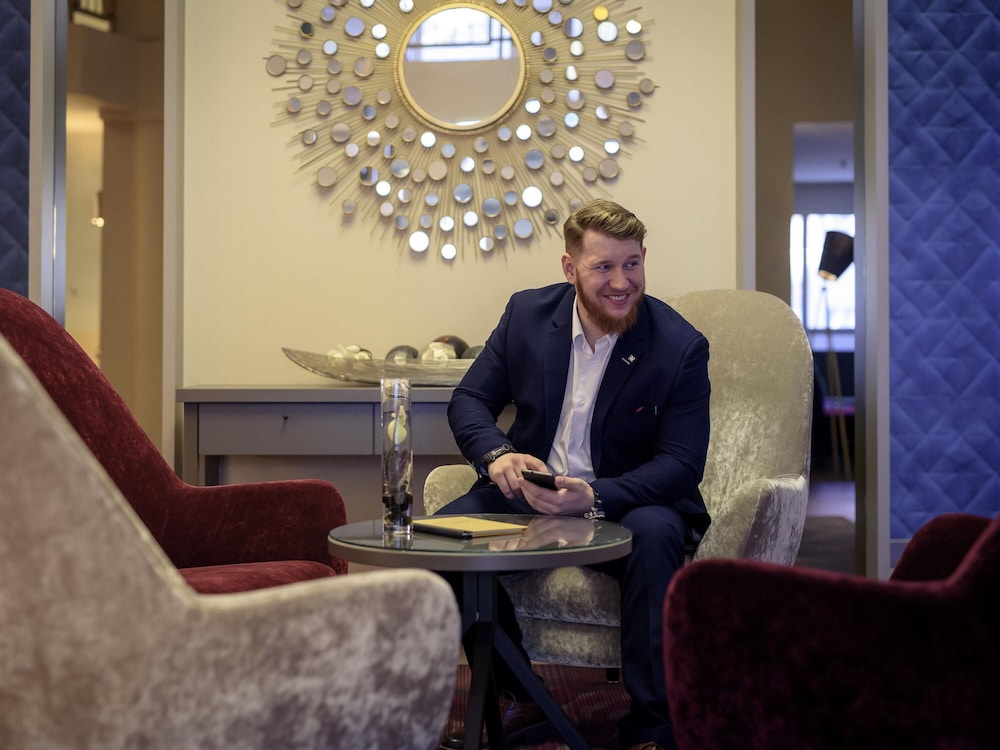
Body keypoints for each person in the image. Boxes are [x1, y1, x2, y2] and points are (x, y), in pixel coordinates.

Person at [436, 199, 712, 750]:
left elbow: (681, 464)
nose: (622, 282)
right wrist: (498, 455)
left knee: (658, 534)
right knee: (442, 542)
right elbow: (469, 400)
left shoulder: (680, 346)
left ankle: (653, 729)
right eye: (603, 267)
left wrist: (593, 496)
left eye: (631, 264)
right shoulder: (526, 315)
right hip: (529, 494)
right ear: (570, 267)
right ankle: (521, 696)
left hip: (626, 501)